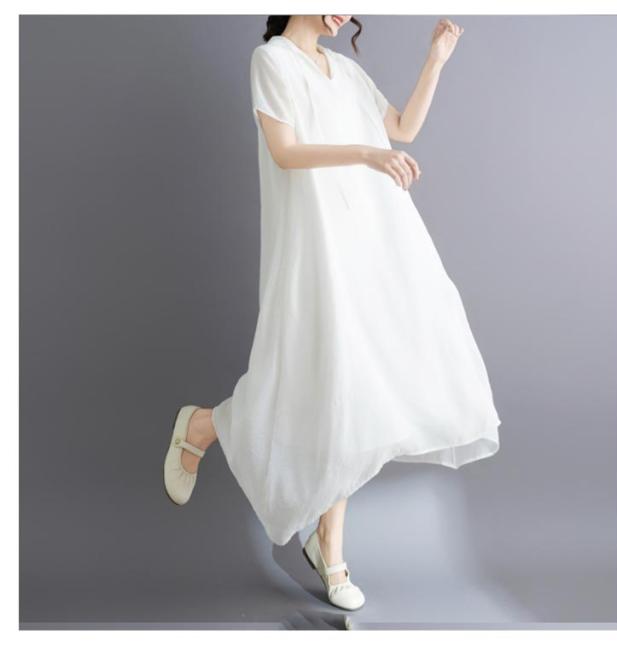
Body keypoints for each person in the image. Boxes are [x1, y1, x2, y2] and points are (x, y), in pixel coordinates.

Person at [164, 15, 501, 611]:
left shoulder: (345, 69)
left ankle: (328, 543)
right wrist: (368, 155)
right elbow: (285, 151)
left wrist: (436, 60)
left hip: (365, 239)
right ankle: (203, 427)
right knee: (308, 380)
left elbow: (402, 128)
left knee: (354, 386)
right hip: (313, 241)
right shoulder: (271, 61)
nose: (346, 11)